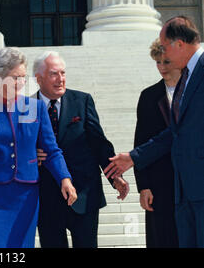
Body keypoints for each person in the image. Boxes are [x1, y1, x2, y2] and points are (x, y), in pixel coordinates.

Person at [0, 47, 77, 248]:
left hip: (25, 196)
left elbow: (51, 150)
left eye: (23, 77)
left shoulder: (37, 107)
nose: (21, 83)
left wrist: (64, 178)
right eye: (15, 78)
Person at [104, 16, 204, 248]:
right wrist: (134, 157)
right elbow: (177, 131)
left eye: (166, 47)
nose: (164, 56)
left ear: (180, 44)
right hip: (184, 192)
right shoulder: (186, 79)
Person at [33, 51, 129, 248]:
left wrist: (114, 176)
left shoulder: (82, 101)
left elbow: (99, 143)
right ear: (38, 78)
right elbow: (15, 146)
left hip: (84, 193)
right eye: (53, 74)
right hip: (46, 198)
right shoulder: (25, 108)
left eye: (63, 73)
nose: (61, 79)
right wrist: (29, 154)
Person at [133, 39, 180, 248]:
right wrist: (144, 186)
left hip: (191, 183)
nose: (161, 67)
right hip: (159, 185)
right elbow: (140, 142)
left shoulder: (196, 92)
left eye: (166, 62)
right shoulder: (149, 96)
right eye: (158, 62)